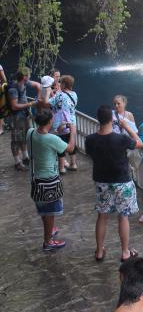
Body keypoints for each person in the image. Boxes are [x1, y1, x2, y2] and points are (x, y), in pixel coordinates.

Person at [85, 104, 143, 263]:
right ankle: (125, 252)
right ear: (112, 119)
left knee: (102, 217)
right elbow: (139, 143)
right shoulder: (121, 139)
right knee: (123, 217)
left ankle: (99, 251)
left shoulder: (90, 140)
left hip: (102, 182)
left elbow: (91, 154)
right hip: (122, 182)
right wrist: (127, 127)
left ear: (98, 119)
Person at [27, 107, 73, 251]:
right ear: (49, 121)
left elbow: (45, 138)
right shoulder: (51, 139)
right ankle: (48, 242)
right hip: (49, 181)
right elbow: (70, 148)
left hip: (35, 178)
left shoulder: (31, 132)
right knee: (50, 212)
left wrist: (55, 133)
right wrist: (74, 130)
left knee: (43, 209)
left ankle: (50, 230)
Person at [8, 69, 41, 170]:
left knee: (26, 135)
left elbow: (38, 85)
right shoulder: (13, 89)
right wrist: (31, 104)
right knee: (16, 139)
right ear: (24, 77)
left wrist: (38, 98)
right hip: (17, 117)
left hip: (25, 114)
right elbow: (14, 106)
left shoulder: (25, 83)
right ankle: (17, 162)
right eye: (29, 75)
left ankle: (25, 157)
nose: (30, 77)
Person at [50, 74, 78, 173]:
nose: (59, 84)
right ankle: (73, 164)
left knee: (60, 145)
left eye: (61, 82)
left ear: (64, 84)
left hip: (61, 124)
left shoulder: (60, 95)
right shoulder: (74, 94)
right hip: (72, 123)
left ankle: (62, 168)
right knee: (72, 143)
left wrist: (51, 93)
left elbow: (49, 103)